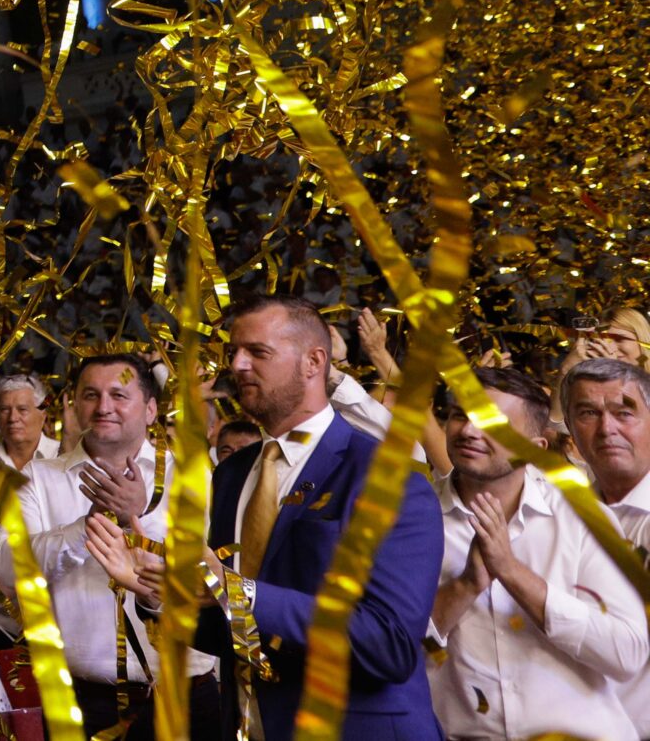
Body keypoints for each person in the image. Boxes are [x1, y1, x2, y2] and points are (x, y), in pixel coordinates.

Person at [88, 295, 441, 741]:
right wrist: (157, 591)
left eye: (258, 352)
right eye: (234, 351)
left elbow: (388, 645)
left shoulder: (386, 475)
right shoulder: (234, 473)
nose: (236, 364)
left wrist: (236, 590)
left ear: (314, 362)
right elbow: (232, 633)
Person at [0, 354, 223, 741]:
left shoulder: (193, 476)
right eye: (91, 395)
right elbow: (6, 568)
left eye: (118, 394)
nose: (104, 407)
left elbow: (210, 580)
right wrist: (88, 525)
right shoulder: (40, 477)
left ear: (150, 409)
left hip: (184, 696)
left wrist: (138, 522)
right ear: (75, 405)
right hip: (82, 700)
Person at [422, 365, 646, 739]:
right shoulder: (411, 518)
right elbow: (389, 652)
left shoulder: (583, 520)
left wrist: (512, 572)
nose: (469, 432)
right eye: (460, 416)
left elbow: (626, 653)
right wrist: (464, 587)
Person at [565, 355, 650, 741]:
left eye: (624, 413)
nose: (606, 429)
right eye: (588, 413)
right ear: (570, 429)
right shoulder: (555, 513)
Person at [0, 373, 58, 472]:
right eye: (4, 410)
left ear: (42, 416)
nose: (12, 418)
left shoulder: (61, 455)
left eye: (22, 409)